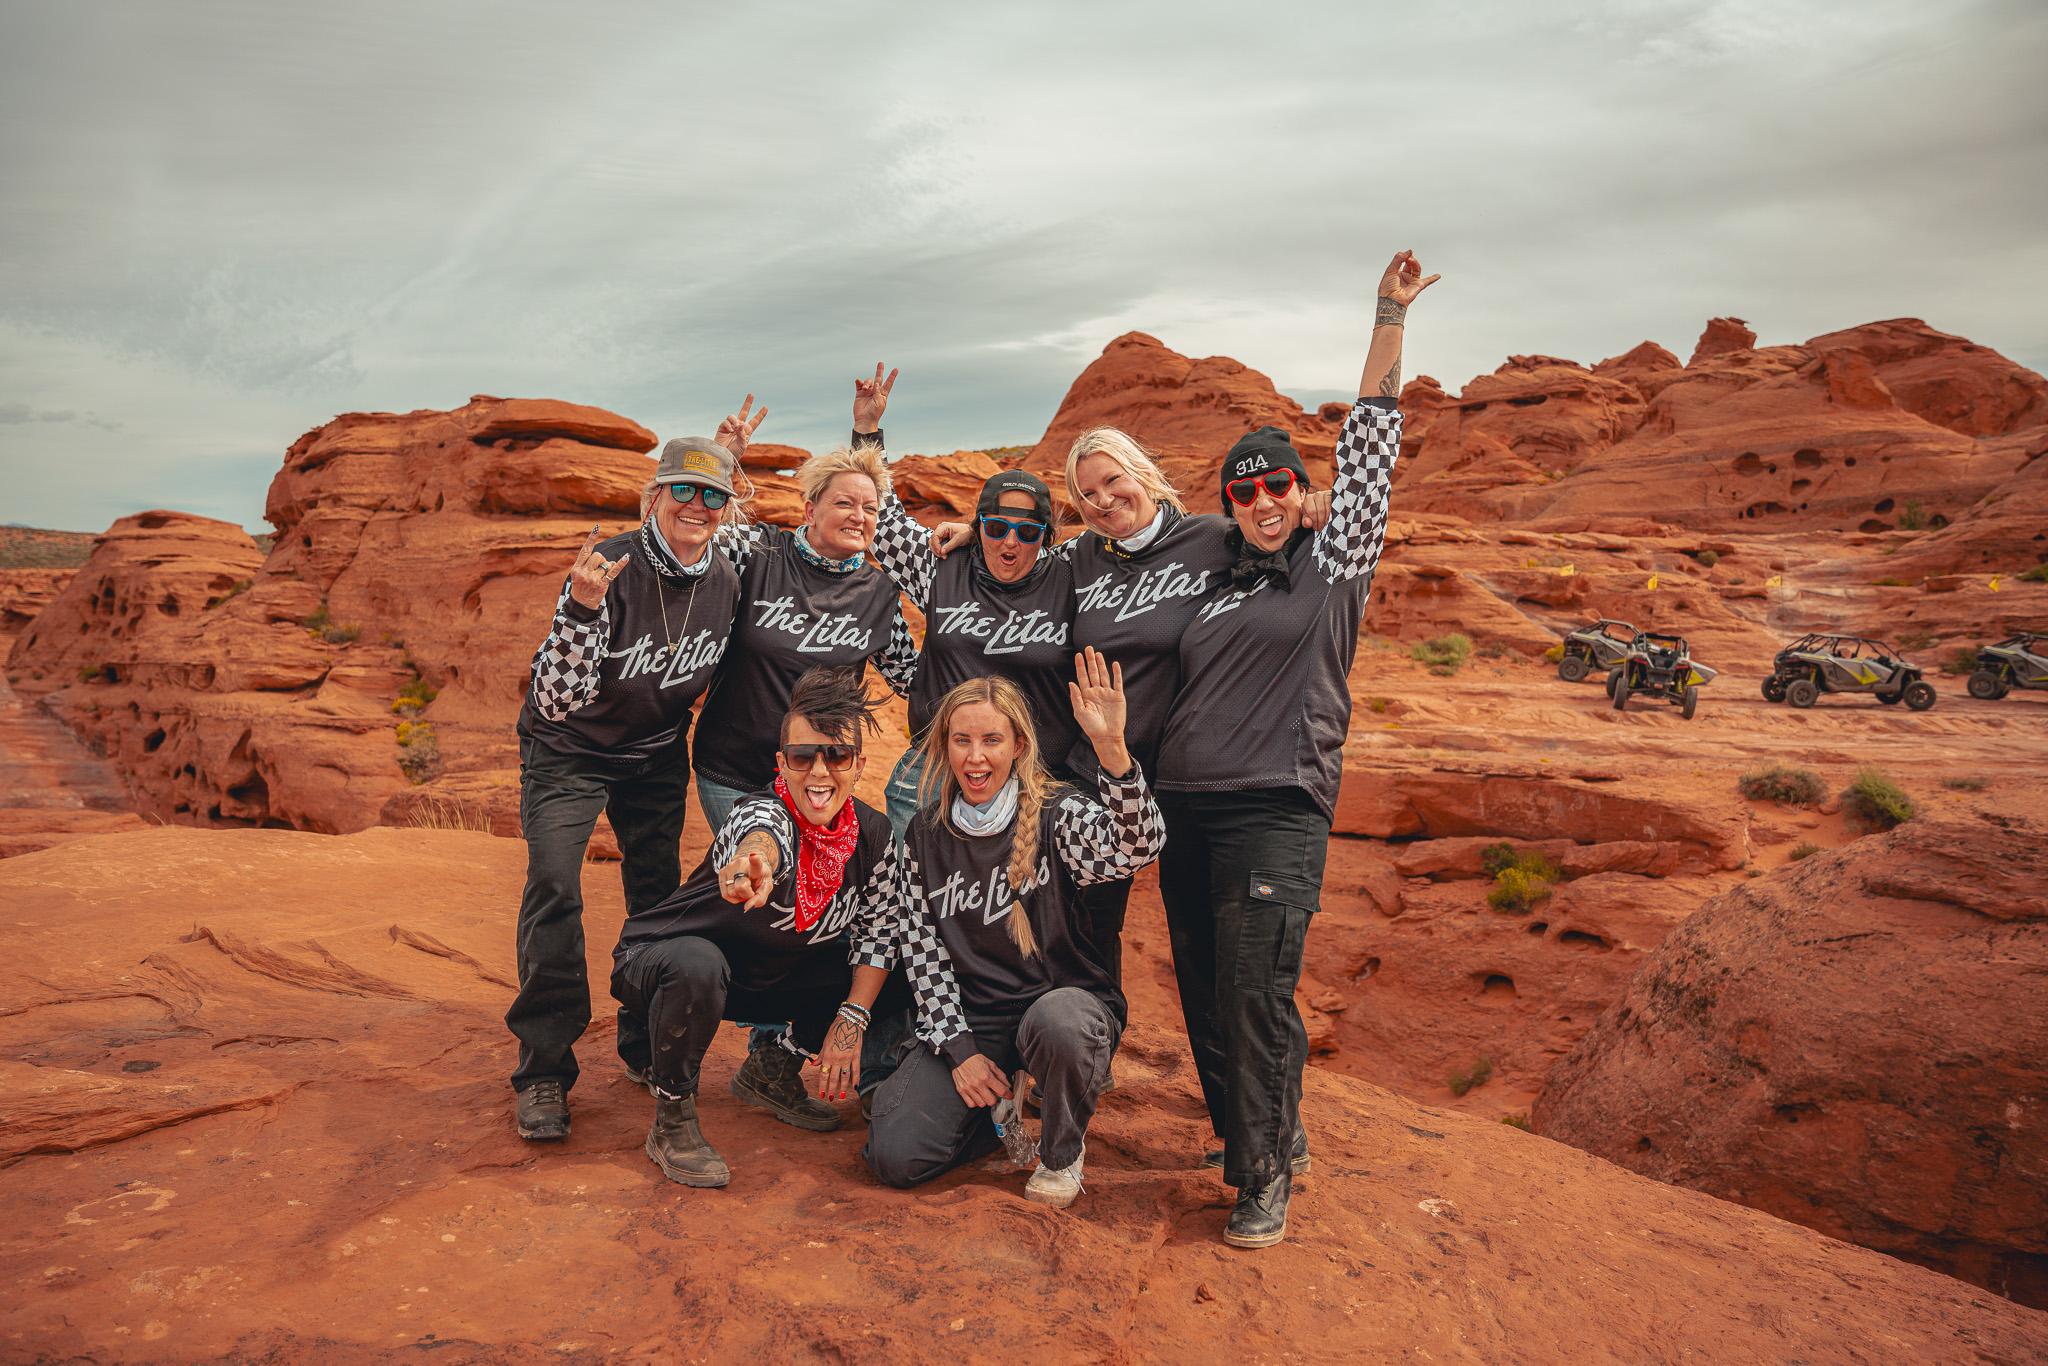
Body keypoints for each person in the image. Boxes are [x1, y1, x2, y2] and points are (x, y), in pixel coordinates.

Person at [1154, 249, 1435, 1248]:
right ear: (1225, 503)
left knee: (1254, 986)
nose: (1263, 499)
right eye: (1243, 490)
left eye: (1278, 484)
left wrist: (1385, 314)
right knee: (1200, 982)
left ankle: (1263, 1174)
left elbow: (1369, 449)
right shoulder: (1209, 570)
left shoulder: (1335, 558)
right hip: (1182, 804)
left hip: (1278, 802)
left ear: (1300, 488)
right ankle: (1250, 1134)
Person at [505, 427, 750, 1142]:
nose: (697, 505)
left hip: (653, 752)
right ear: (654, 497)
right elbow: (554, 699)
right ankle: (544, 1070)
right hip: (569, 750)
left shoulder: (726, 576)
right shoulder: (605, 566)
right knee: (555, 885)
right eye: (684, 490)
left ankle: (644, 1048)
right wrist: (582, 610)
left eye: (713, 495)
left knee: (656, 897)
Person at [864, 650, 1163, 1208]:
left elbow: (1137, 847)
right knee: (895, 1157)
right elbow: (925, 959)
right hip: (975, 1019)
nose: (975, 758)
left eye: (992, 741)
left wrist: (1112, 752)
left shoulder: (1059, 814)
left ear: (1018, 746)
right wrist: (960, 1052)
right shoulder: (924, 838)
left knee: (1060, 1026)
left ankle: (1060, 1150)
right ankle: (996, 1110)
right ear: (943, 747)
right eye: (961, 741)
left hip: (1057, 1006)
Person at [610, 667, 902, 1187]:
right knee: (698, 962)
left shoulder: (875, 835)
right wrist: (753, 866)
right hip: (660, 965)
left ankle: (771, 1069)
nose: (819, 770)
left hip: (761, 977)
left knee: (888, 964)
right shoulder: (758, 813)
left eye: (836, 755)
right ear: (780, 764)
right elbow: (756, 839)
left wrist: (851, 1020)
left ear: (858, 765)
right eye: (802, 755)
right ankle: (672, 1120)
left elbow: (879, 932)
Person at [852, 365, 1080, 841]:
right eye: (996, 528)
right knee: (912, 901)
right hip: (934, 770)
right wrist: (868, 430)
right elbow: (886, 520)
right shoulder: (944, 567)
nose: (1010, 542)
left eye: (1027, 532)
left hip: (1035, 780)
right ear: (978, 528)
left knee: (1018, 910)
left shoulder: (1071, 580)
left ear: (1046, 537)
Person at [691, 423, 919, 834]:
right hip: (733, 772)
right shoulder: (757, 552)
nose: (858, 516)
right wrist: (719, 458)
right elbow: (690, 532)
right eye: (845, 503)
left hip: (819, 777)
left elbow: (916, 680)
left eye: (870, 509)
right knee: (757, 882)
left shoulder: (880, 594)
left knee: (805, 893)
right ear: (811, 510)